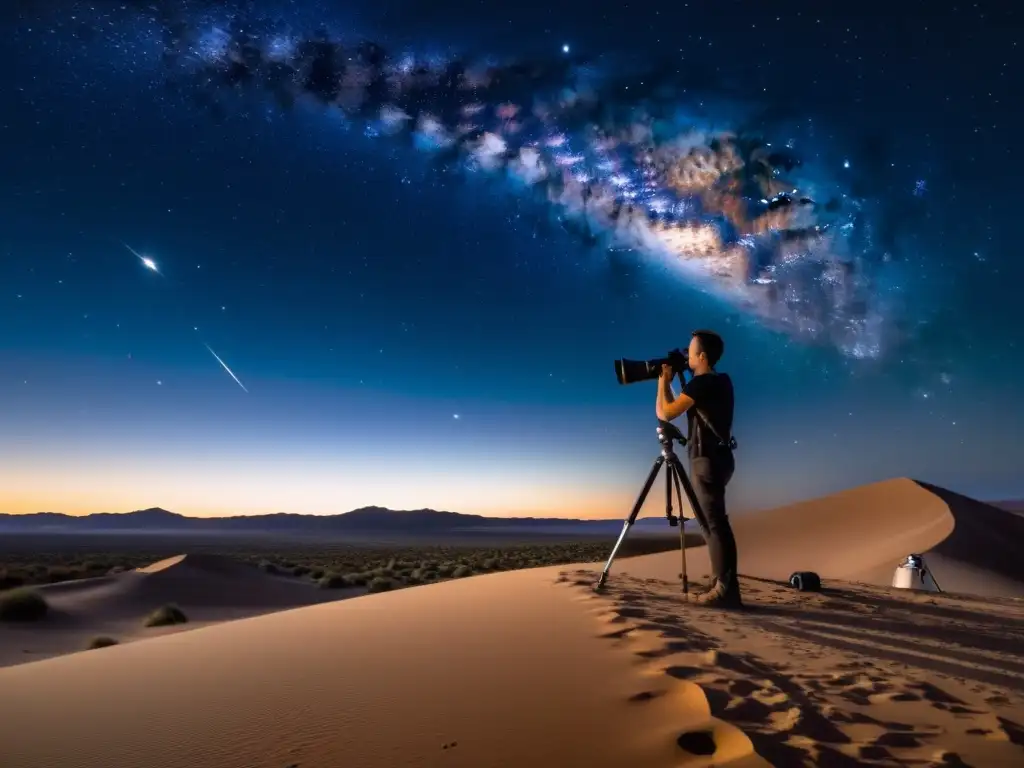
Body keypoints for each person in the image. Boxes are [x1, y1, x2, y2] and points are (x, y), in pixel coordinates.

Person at [655, 329, 740, 608]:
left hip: (706, 460)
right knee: (712, 523)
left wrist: (662, 381)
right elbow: (688, 400)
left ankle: (726, 590)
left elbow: (666, 412)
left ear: (702, 356)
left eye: (691, 350)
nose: (687, 354)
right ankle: (721, 582)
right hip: (721, 458)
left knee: (713, 525)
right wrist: (675, 380)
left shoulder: (702, 383)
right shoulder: (720, 381)